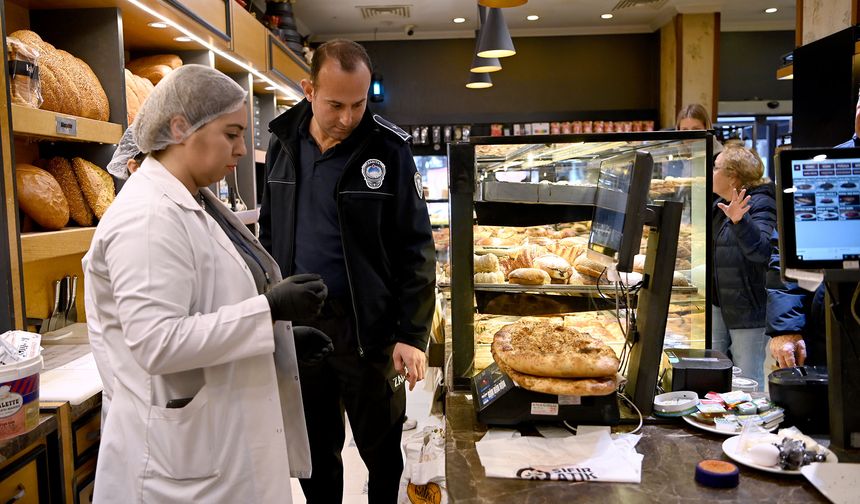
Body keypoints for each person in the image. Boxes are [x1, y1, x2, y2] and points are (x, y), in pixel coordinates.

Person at [83, 64, 333, 503]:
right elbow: (157, 342)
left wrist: (277, 340)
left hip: (220, 444)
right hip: (179, 466)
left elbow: (207, 305)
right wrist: (268, 310)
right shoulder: (148, 216)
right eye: (231, 134)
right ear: (181, 126)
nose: (241, 149)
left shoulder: (192, 199)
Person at [259, 39, 436, 503]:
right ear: (308, 89)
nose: (347, 117)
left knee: (382, 451)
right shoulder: (282, 142)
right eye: (335, 104)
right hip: (302, 326)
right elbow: (270, 238)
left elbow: (417, 248)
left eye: (359, 104)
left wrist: (412, 334)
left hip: (371, 331)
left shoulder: (388, 149)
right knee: (316, 454)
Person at [711, 145, 776, 387]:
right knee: (711, 373)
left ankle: (749, 425)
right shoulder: (720, 203)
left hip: (748, 311)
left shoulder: (761, 202)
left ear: (733, 177)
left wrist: (740, 221)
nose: (711, 171)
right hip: (719, 305)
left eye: (716, 168)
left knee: (749, 383)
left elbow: (763, 252)